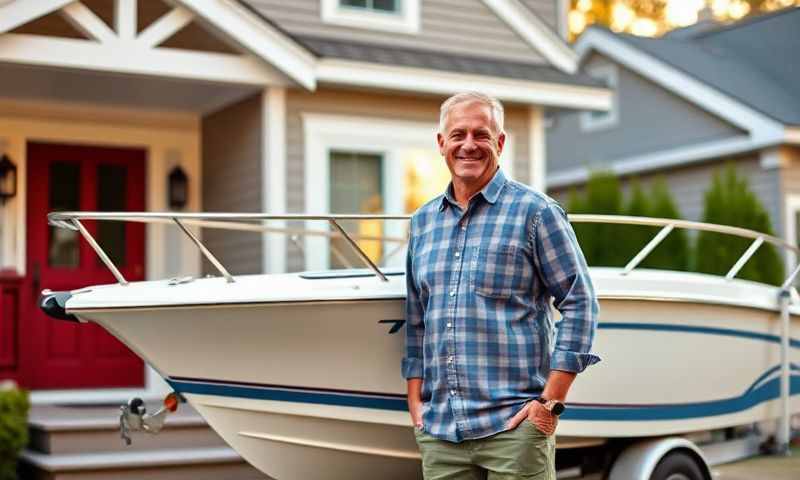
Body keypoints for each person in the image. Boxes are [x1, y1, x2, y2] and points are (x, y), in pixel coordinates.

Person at [403, 92, 600, 480]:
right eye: (458, 134)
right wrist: (416, 405)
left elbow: (581, 303)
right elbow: (415, 319)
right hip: (440, 432)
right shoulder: (423, 222)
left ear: (501, 142)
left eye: (482, 133)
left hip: (514, 429)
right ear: (441, 143)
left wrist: (550, 403)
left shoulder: (536, 213)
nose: (469, 144)